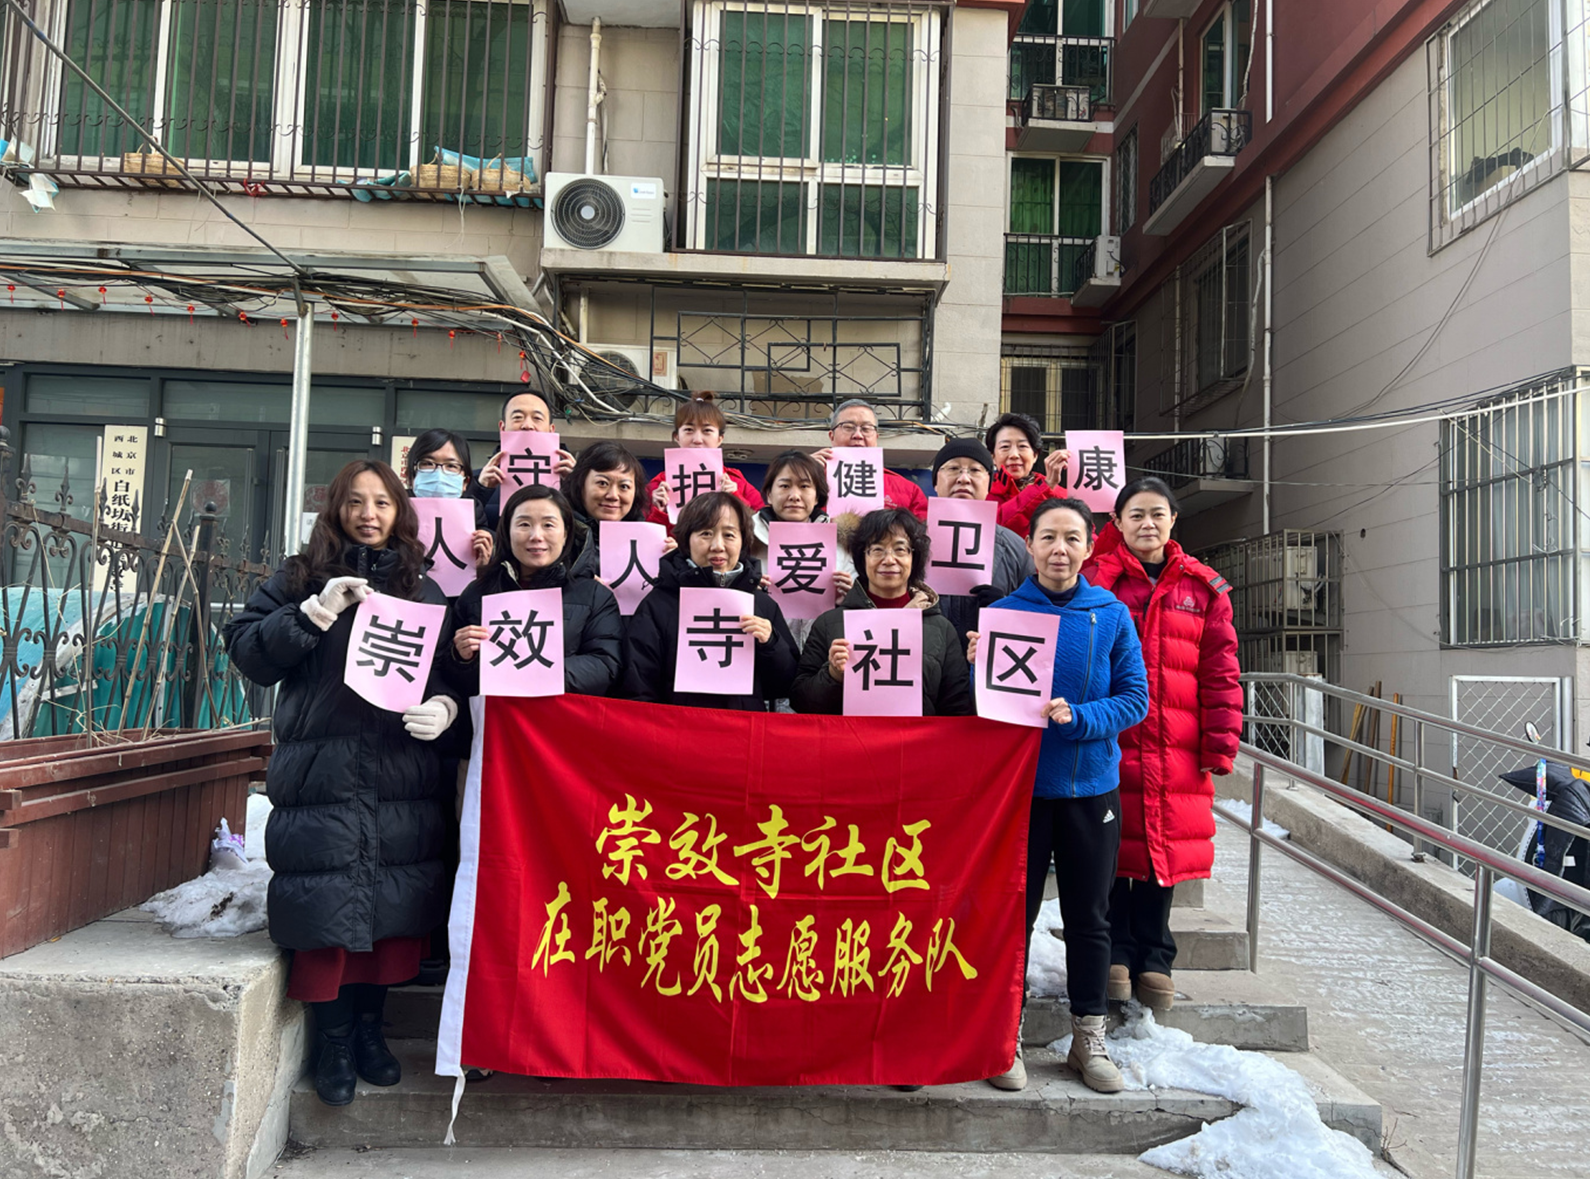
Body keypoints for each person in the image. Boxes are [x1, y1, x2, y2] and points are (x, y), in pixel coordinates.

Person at [222, 460, 461, 1109]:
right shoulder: (300, 577)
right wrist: (313, 612)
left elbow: (445, 673)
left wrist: (445, 707)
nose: (368, 514)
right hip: (321, 772)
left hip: (399, 773)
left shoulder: (423, 588)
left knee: (387, 912)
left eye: (381, 502)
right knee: (327, 909)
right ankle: (331, 1043)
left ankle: (369, 1033)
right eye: (355, 501)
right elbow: (247, 649)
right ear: (335, 509)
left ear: (399, 511)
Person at [967, 498, 1148, 1095]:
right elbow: (982, 712)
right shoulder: (1003, 614)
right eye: (1048, 537)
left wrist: (1082, 717)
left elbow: (1135, 699)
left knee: (1089, 918)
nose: (1059, 549)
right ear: (1030, 545)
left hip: (1091, 787)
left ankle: (1087, 1039)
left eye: (1072, 537)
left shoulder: (1112, 615)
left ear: (1091, 546)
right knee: (1012, 919)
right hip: (1020, 792)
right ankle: (1006, 1037)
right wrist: (975, 667)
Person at [1082, 477, 1242, 1013]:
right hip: (1114, 734)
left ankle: (1156, 956)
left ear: (1174, 519)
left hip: (1177, 741)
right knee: (1114, 845)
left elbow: (1221, 672)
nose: (1147, 524)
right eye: (1135, 515)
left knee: (1163, 848)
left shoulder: (1204, 588)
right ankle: (1116, 952)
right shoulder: (1096, 580)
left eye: (1157, 514)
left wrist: (1220, 744)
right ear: (1117, 523)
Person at [621, 491, 798, 711]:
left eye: (729, 535)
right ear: (687, 540)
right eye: (705, 533)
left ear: (743, 541)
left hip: (743, 729)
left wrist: (771, 644)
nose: (717, 546)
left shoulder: (762, 604)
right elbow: (638, 685)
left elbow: (785, 686)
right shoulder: (658, 604)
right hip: (678, 728)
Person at [788, 508, 972, 717]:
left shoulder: (940, 628)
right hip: (849, 736)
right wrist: (833, 675)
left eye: (900, 549)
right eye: (877, 550)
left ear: (914, 557)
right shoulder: (830, 623)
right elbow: (800, 701)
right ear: (862, 558)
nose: (889, 559)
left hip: (916, 737)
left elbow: (957, 708)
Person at [444, 484, 623, 698]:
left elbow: (605, 665)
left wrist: (535, 674)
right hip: (497, 716)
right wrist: (461, 658)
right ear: (507, 532)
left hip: (560, 717)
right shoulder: (476, 593)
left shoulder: (594, 595)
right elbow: (454, 681)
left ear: (565, 534)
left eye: (548, 525)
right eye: (524, 524)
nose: (536, 536)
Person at [927, 438, 1035, 643]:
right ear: (935, 482)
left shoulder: (1017, 549)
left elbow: (1033, 620)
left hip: (986, 657)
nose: (964, 478)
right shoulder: (909, 543)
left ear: (989, 484)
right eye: (953, 468)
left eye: (975, 470)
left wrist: (1005, 607)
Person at [749, 450, 855, 653]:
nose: (794, 496)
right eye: (785, 486)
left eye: (805, 486)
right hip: (764, 653)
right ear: (769, 494)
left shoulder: (841, 544)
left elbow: (858, 612)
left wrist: (848, 597)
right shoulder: (745, 543)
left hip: (822, 654)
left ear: (817, 497)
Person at [645, 393, 765, 530]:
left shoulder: (736, 482)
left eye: (707, 430)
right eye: (689, 430)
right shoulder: (658, 485)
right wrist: (659, 511)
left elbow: (760, 527)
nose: (697, 439)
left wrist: (736, 499)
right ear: (677, 437)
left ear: (720, 438)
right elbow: (642, 535)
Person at [472, 390, 577, 528]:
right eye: (518, 417)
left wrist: (577, 487)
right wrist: (480, 490)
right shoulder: (475, 482)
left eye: (537, 418)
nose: (527, 425)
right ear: (502, 427)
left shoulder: (570, 480)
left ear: (551, 430)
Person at [811, 399, 929, 520]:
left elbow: (923, 529)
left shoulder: (908, 490)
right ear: (832, 436)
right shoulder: (810, 480)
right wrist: (803, 471)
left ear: (876, 437)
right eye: (848, 427)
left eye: (866, 428)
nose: (858, 435)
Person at [404, 428, 493, 576]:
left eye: (451, 466)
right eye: (427, 463)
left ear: (465, 482)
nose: (439, 474)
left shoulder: (475, 518)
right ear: (410, 476)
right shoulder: (391, 514)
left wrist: (483, 566)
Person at [985, 412, 1071, 539]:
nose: (1014, 455)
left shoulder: (1061, 496)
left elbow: (1089, 543)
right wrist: (1044, 487)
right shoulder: (983, 495)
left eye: (1022, 446)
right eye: (1005, 447)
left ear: (1035, 455)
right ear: (992, 456)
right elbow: (995, 529)